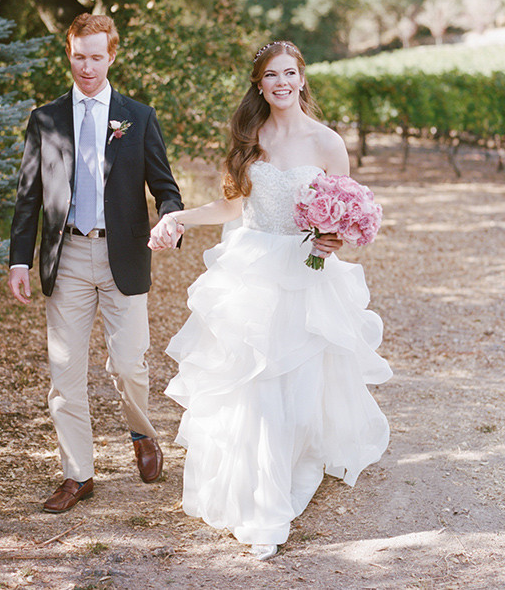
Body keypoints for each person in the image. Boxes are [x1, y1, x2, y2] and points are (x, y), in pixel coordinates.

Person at [149, 40, 392, 560]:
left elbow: (345, 211)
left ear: (302, 79)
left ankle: (282, 478)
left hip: (305, 274)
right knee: (253, 388)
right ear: (259, 85)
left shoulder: (327, 143)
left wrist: (333, 239)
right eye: (270, 75)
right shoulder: (249, 138)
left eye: (289, 73)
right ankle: (262, 503)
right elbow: (231, 206)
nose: (281, 82)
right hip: (253, 271)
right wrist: (177, 217)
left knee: (295, 391)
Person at [9, 13, 183, 513]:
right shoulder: (45, 119)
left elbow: (165, 187)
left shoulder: (138, 117)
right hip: (66, 256)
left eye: (97, 57)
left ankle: (142, 433)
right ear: (69, 54)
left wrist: (171, 219)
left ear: (112, 56)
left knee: (129, 364)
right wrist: (19, 260)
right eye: (79, 56)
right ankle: (77, 474)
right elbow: (28, 195)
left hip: (122, 254)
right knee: (64, 371)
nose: (87, 67)